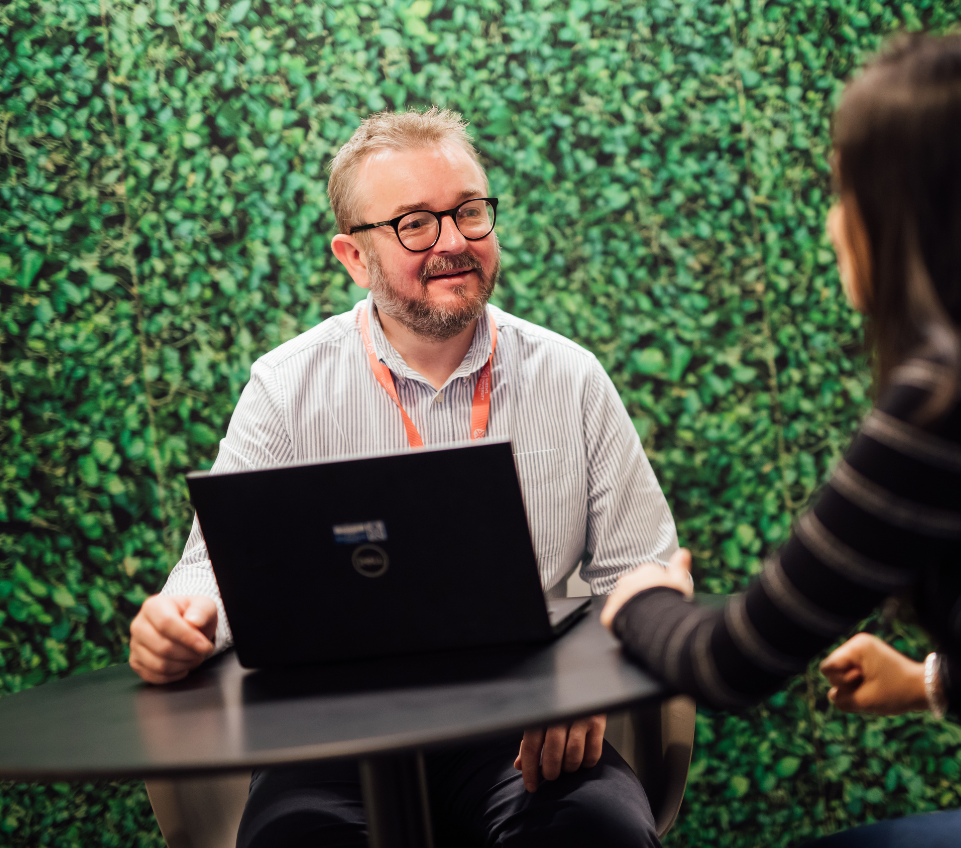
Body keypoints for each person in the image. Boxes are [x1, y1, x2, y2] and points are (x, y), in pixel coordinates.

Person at [601, 31, 961, 847]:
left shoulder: (959, 396)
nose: (831, 222)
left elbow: (733, 662)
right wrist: (928, 682)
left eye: (844, 190)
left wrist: (641, 602)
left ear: (913, 207)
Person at [128, 108, 677, 848]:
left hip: (524, 730)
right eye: (415, 224)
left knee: (597, 833)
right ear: (353, 257)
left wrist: (590, 685)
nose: (453, 242)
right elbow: (210, 576)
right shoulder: (286, 388)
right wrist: (175, 624)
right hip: (331, 740)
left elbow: (644, 572)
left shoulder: (569, 377)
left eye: (470, 213)